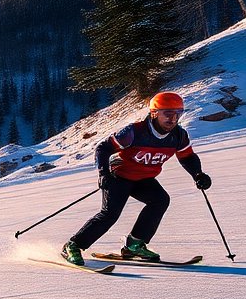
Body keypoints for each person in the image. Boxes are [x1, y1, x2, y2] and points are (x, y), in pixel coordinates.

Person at [61, 92, 212, 265]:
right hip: (119, 176)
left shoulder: (178, 136)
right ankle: (73, 245)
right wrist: (104, 174)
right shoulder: (134, 132)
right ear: (154, 113)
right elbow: (103, 148)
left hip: (144, 178)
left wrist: (198, 174)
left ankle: (134, 244)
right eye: (168, 114)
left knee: (160, 200)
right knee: (110, 214)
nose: (173, 119)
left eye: (178, 114)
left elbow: (187, 157)